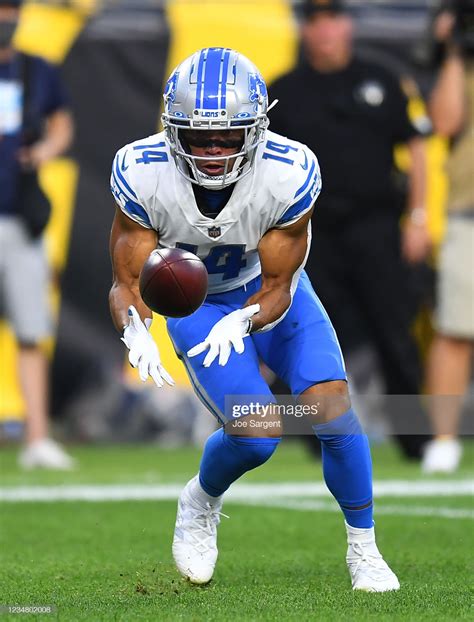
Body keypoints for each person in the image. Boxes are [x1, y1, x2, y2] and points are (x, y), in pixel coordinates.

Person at [109, 47, 399, 592]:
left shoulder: (288, 171)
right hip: (194, 304)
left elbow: (279, 287)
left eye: (228, 136)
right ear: (173, 131)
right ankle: (200, 501)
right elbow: (127, 282)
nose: (214, 150)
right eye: (200, 136)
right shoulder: (141, 170)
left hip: (266, 293)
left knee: (333, 407)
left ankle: (365, 548)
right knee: (256, 432)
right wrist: (135, 326)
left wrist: (243, 322)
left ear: (258, 129)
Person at [268, 0, 432, 459]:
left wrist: (418, 217)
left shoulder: (382, 78)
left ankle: (417, 442)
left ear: (347, 25)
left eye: (332, 19)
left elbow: (416, 148)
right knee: (307, 334)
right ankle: (313, 438)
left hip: (375, 226)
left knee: (393, 332)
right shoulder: (284, 91)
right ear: (305, 30)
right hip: (310, 233)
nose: (324, 30)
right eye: (315, 21)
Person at [0, 0, 74, 468]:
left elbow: (61, 124)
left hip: (17, 216)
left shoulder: (34, 70)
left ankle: (37, 436)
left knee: (31, 328)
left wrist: (44, 149)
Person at [422, 4, 474, 473]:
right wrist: (455, 50)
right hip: (469, 211)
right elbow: (444, 122)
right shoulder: (460, 66)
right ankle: (442, 438)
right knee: (457, 329)